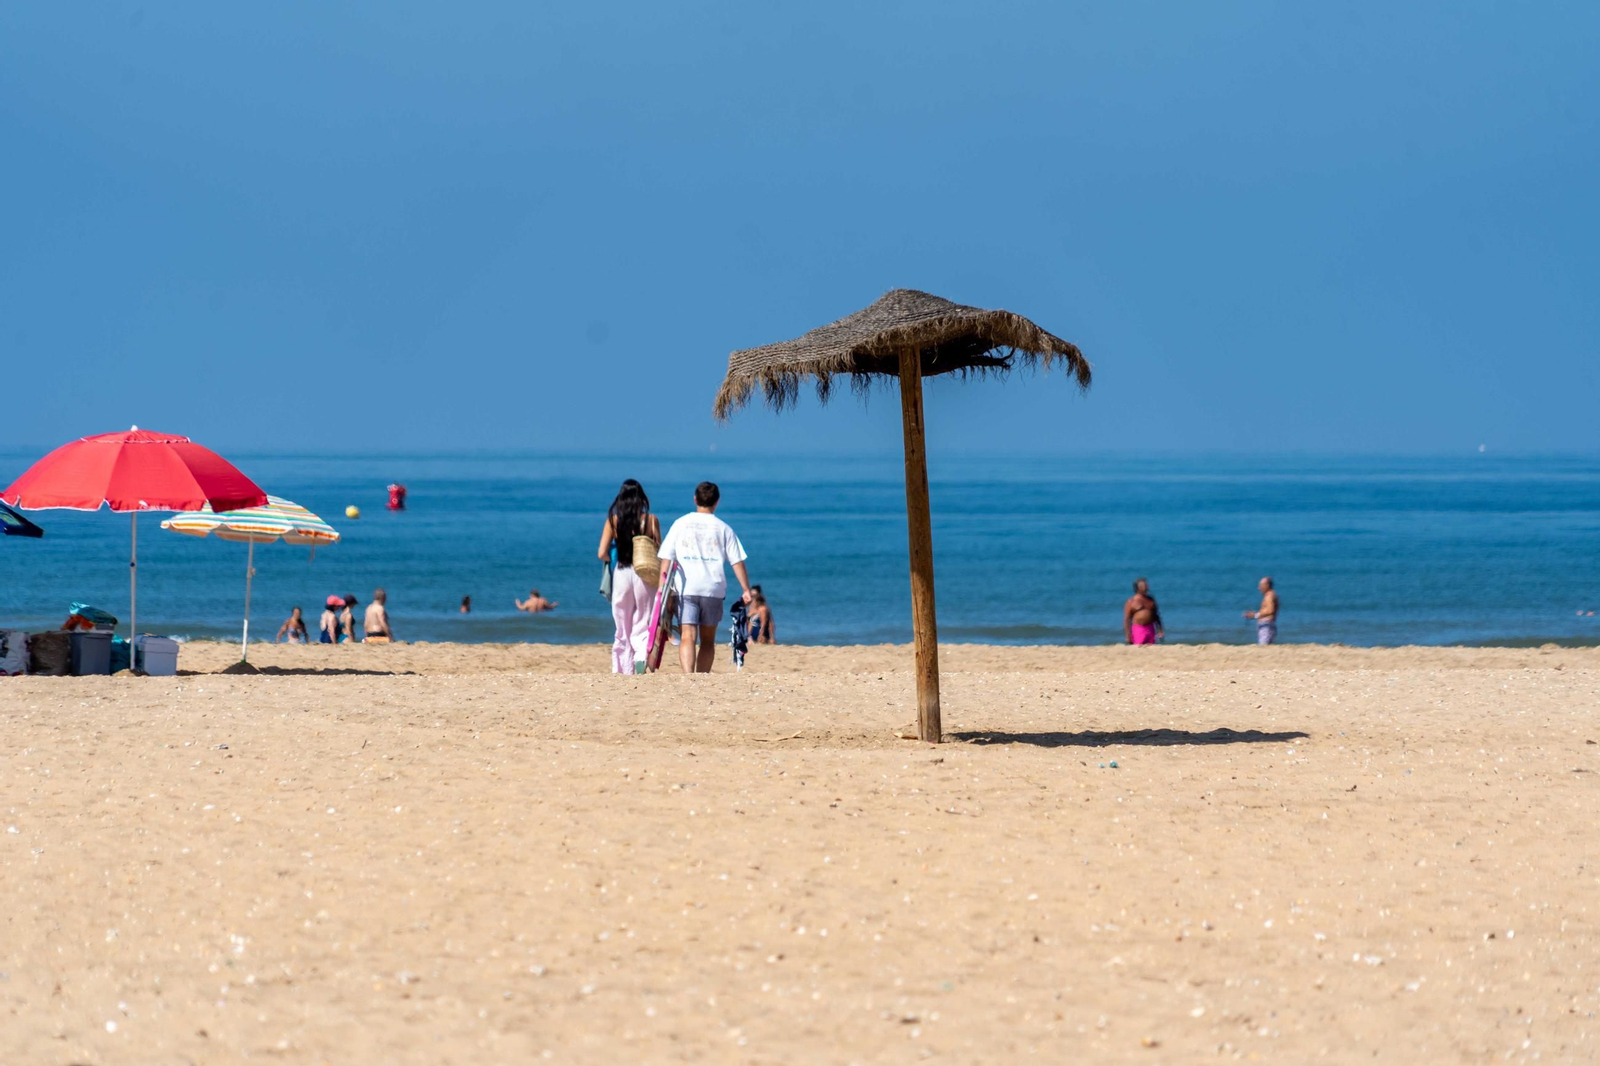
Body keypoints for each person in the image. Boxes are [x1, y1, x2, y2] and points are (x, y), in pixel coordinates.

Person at [657, 481, 753, 674]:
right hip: (712, 588)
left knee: (687, 636)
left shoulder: (680, 524)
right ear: (716, 501)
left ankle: (688, 676)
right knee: (708, 640)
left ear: (695, 499)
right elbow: (737, 562)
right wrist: (745, 589)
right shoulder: (723, 528)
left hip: (686, 587)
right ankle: (701, 677)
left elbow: (667, 558)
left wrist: (661, 588)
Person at [598, 478, 662, 674]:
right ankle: (641, 656)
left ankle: (622, 668)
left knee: (621, 621)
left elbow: (602, 553)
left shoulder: (613, 521)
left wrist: (614, 556)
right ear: (641, 498)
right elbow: (659, 550)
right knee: (643, 618)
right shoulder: (650, 520)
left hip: (622, 572)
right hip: (644, 572)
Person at [1123, 578, 1163, 645]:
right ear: (1139, 587)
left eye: (1146, 585)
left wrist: (1160, 629)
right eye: (1145, 585)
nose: (1147, 586)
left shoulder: (1150, 599)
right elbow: (1127, 620)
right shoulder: (1131, 601)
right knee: (1138, 648)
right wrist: (1128, 636)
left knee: (1151, 649)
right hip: (1138, 629)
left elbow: (1156, 615)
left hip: (1150, 628)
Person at [1243, 576, 1280, 645]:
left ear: (1267, 585)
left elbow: (1270, 610)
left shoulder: (1270, 595)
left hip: (1267, 626)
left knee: (1264, 646)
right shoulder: (1270, 595)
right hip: (1266, 625)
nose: (1259, 588)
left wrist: (1255, 615)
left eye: (1261, 586)